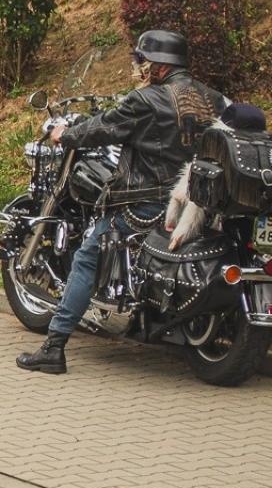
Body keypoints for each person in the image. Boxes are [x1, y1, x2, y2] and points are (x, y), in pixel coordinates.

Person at [17, 29, 227, 374]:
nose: (137, 67)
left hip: (146, 203)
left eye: (141, 61)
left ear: (159, 66)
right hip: (197, 203)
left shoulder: (146, 100)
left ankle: (54, 348)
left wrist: (64, 135)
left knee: (86, 257)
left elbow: (103, 127)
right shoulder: (213, 100)